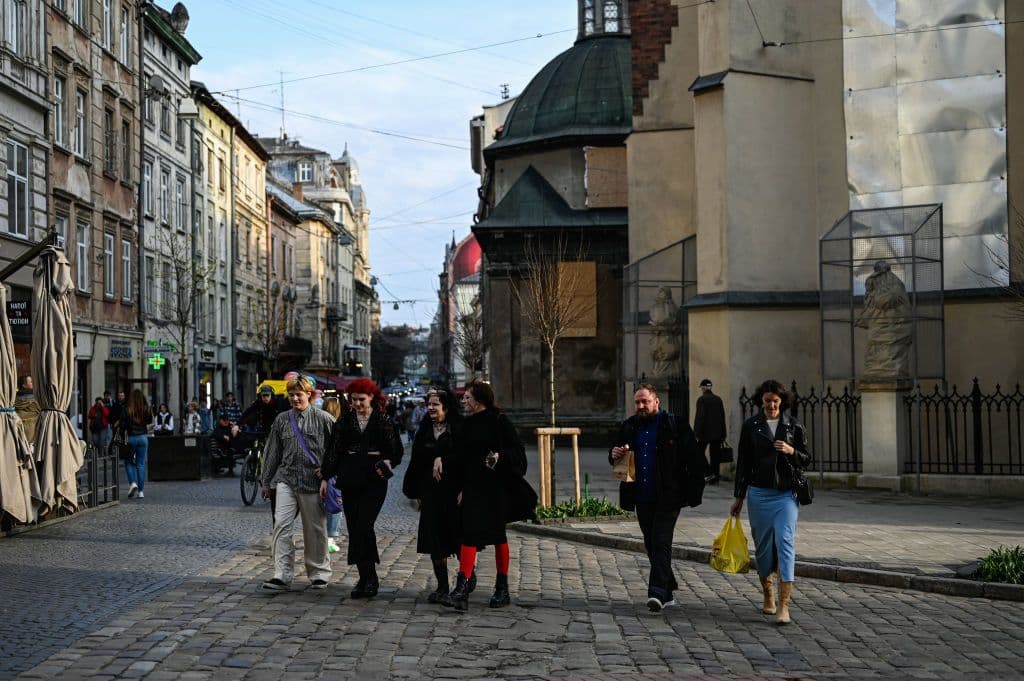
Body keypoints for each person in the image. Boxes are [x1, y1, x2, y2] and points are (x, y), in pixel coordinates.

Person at [609, 383, 706, 612]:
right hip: (641, 496)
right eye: (637, 402)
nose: (641, 406)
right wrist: (614, 454)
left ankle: (657, 594)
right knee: (651, 543)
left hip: (669, 496)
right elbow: (615, 456)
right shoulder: (629, 426)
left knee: (661, 541)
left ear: (656, 402)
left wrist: (691, 490)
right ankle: (669, 586)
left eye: (645, 401)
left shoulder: (674, 425)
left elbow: (694, 459)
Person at [445, 380, 535, 612]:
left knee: (497, 536)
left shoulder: (499, 420)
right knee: (469, 534)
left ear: (480, 400)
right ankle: (462, 587)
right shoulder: (466, 425)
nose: (464, 401)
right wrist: (460, 488)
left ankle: (502, 587)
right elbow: (461, 459)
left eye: (468, 397)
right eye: (463, 397)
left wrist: (500, 456)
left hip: (496, 487)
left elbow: (517, 451)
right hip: (473, 487)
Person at [730, 379, 812, 626]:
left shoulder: (793, 426)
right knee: (764, 547)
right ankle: (768, 594)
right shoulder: (751, 426)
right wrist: (739, 497)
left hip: (786, 494)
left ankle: (784, 605)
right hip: (758, 493)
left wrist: (790, 451)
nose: (771, 406)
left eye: (776, 401)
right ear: (761, 401)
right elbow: (743, 464)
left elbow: (806, 459)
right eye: (767, 401)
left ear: (782, 402)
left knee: (785, 542)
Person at [321, 378, 403, 599]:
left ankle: (370, 576)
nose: (356, 403)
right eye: (353, 399)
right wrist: (326, 476)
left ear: (372, 398)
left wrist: (388, 461)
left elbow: (396, 450)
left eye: (361, 399)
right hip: (350, 477)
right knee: (354, 527)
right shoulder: (346, 420)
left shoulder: (382, 420)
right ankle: (365, 576)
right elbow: (334, 450)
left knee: (365, 525)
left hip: (373, 479)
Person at [258, 375, 335, 592]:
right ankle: (281, 574)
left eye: (298, 395)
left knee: (315, 529)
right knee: (281, 525)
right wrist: (266, 481)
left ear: (309, 395)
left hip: (313, 482)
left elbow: (336, 450)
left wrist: (329, 474)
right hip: (286, 479)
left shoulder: (324, 419)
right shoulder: (282, 420)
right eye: (291, 395)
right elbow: (272, 451)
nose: (294, 399)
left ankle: (319, 573)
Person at [402, 388, 463, 603]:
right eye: (429, 404)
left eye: (435, 404)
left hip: (454, 494)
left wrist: (443, 459)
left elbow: (466, 458)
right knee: (435, 542)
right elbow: (417, 462)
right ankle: (443, 587)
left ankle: (465, 581)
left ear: (446, 406)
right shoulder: (425, 430)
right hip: (431, 494)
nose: (430, 408)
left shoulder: (459, 428)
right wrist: (413, 491)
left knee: (458, 540)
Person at [321, 396, 345, 554]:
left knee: (321, 505)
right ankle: (330, 538)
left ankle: (322, 538)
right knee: (335, 504)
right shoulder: (340, 427)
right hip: (334, 472)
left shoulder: (319, 425)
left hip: (318, 470)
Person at [693, 378, 727, 484]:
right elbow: (722, 417)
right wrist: (723, 433)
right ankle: (715, 478)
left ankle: (708, 473)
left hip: (704, 433)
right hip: (717, 433)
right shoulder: (718, 399)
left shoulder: (702, 399)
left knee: (698, 453)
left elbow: (700, 417)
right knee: (715, 456)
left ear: (703, 388)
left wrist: (696, 432)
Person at [123, 389, 150, 499]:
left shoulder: (127, 409)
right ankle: (141, 491)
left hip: (131, 438)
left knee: (128, 462)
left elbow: (122, 423)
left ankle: (132, 483)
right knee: (141, 464)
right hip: (143, 437)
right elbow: (149, 421)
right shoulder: (146, 409)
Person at [14, 375, 40, 442]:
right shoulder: (36, 399)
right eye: (31, 382)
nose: (33, 383)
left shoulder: (13, 399)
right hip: (33, 432)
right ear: (24, 385)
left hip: (18, 430)